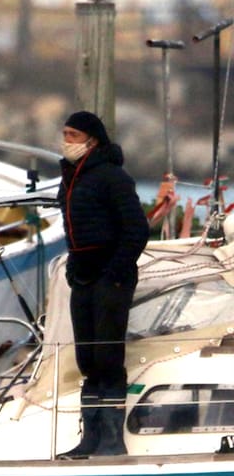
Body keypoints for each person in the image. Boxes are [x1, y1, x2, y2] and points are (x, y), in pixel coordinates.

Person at [55, 110, 149, 458]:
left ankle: (112, 439)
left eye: (73, 135)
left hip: (111, 275)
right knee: (87, 358)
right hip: (83, 276)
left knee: (108, 357)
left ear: (92, 140)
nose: (66, 141)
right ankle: (90, 438)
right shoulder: (70, 178)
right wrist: (73, 267)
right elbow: (71, 230)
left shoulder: (112, 177)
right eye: (64, 134)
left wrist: (116, 271)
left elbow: (136, 229)